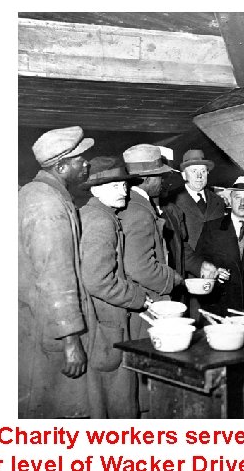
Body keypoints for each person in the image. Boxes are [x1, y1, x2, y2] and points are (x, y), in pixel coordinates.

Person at [18, 126, 93, 418]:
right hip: (52, 334)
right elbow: (55, 275)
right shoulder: (47, 204)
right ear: (61, 166)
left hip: (36, 324)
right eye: (80, 159)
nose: (86, 162)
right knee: (62, 415)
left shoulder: (36, 193)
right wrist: (71, 340)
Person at [79, 157, 150, 418]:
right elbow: (98, 279)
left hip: (99, 321)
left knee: (103, 398)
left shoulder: (94, 214)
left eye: (124, 185)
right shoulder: (101, 221)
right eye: (115, 186)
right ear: (96, 189)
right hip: (106, 323)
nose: (125, 191)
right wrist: (137, 297)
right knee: (114, 400)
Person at [119, 144, 185, 340]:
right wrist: (172, 278)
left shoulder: (131, 205)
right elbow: (139, 267)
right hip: (148, 302)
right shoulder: (140, 212)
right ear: (146, 179)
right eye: (159, 176)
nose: (163, 181)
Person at [196, 176, 244, 316]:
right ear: (230, 200)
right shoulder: (212, 227)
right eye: (238, 197)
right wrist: (214, 272)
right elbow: (200, 260)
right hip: (221, 303)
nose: (242, 203)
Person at [172, 149, 226, 249]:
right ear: (184, 175)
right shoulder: (172, 201)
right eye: (194, 171)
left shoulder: (218, 201)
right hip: (187, 263)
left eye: (203, 171)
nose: (199, 176)